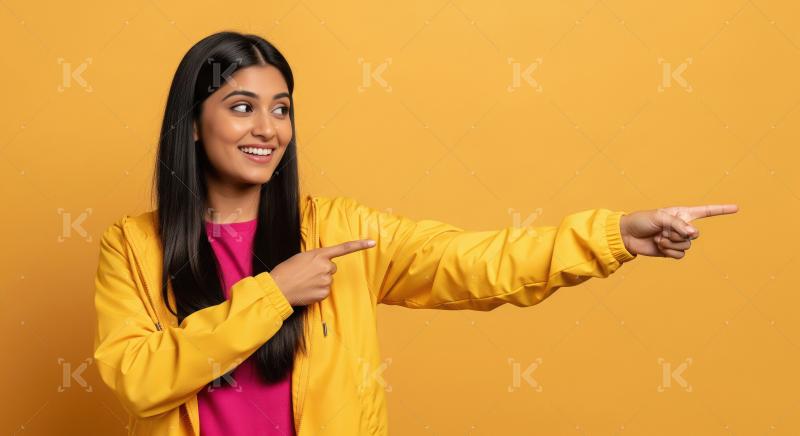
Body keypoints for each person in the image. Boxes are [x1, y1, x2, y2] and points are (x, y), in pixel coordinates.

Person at [92, 31, 739, 436]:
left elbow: (478, 262)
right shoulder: (134, 246)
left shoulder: (339, 231)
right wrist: (272, 295)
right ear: (194, 125)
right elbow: (136, 380)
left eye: (281, 108)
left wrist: (616, 234)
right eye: (242, 107)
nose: (269, 127)